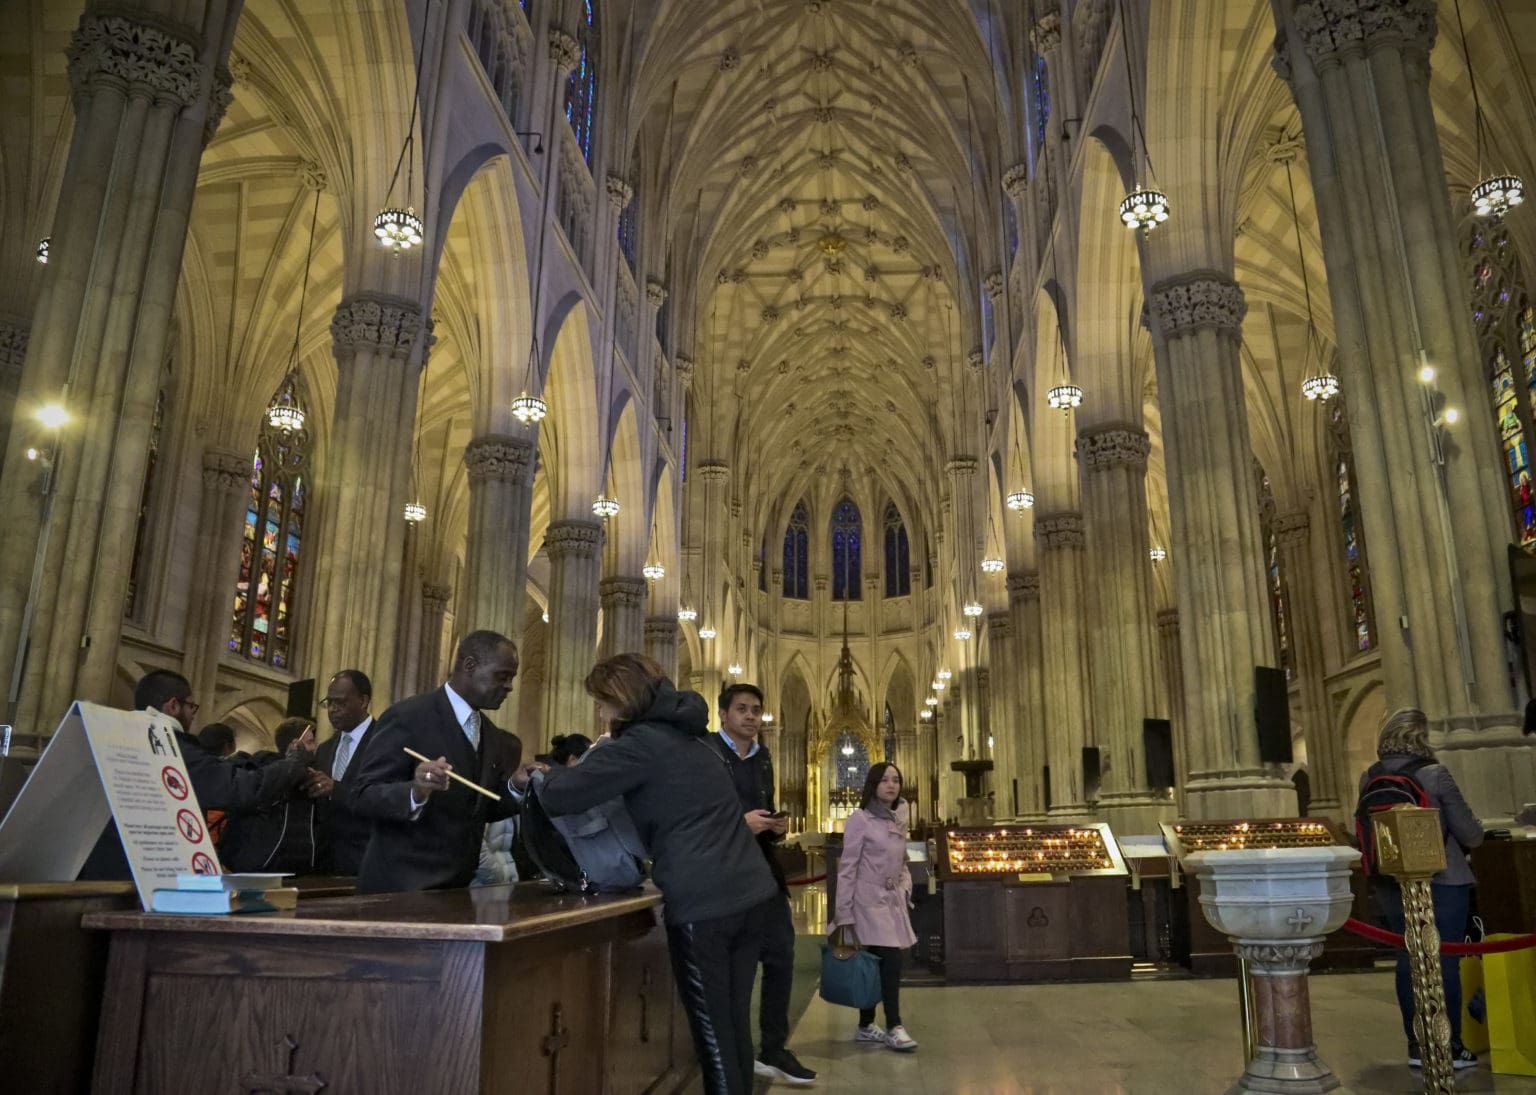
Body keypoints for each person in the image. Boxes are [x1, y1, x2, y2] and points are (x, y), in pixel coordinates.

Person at [539, 654, 779, 1095]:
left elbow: (562, 795)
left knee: (712, 1036)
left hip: (704, 904)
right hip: (751, 893)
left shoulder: (640, 744)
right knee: (732, 1026)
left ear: (622, 700)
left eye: (603, 702)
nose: (600, 713)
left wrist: (542, 775)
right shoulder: (691, 738)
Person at [79, 670, 314, 879]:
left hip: (97, 870)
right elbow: (243, 788)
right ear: (173, 705)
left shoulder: (113, 737)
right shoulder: (169, 746)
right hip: (146, 877)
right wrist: (294, 761)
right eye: (191, 706)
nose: (193, 714)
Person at [346, 630, 529, 893]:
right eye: (503, 676)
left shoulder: (490, 733)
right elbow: (362, 795)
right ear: (469, 666)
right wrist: (415, 791)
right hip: (400, 889)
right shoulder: (408, 716)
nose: (510, 686)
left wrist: (515, 786)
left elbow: (478, 807)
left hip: (457, 890)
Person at [1361, 708, 1484, 1070]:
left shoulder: (1369, 776)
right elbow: (1471, 834)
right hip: (1443, 879)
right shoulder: (1435, 774)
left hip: (1391, 879)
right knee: (1442, 956)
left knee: (1407, 957)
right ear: (1422, 737)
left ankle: (1417, 1046)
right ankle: (1450, 1047)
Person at [710, 683, 816, 1086]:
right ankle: (736, 1052)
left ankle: (773, 1047)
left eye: (756, 710)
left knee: (781, 956)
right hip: (723, 875)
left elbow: (759, 810)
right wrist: (743, 823)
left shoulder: (764, 757)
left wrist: (773, 826)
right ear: (723, 714)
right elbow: (697, 815)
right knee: (736, 972)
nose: (751, 716)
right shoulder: (706, 753)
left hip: (763, 872)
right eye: (742, 709)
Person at [833, 762, 918, 1053]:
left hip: (891, 902)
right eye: (884, 780)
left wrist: (904, 886)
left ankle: (866, 1025)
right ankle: (894, 1026)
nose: (891, 785)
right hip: (867, 902)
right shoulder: (861, 819)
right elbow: (847, 867)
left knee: (872, 963)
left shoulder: (899, 820)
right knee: (890, 962)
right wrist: (843, 913)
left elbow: (903, 860)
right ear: (873, 785)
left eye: (896, 780)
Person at [219, 718, 325, 873]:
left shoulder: (309, 776)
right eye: (309, 742)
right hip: (260, 865)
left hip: (294, 867)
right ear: (294, 745)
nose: (314, 748)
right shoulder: (268, 770)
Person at [310, 669, 378, 875]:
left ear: (363, 701)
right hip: (324, 865)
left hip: (366, 863)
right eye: (329, 703)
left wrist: (336, 790)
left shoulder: (384, 742)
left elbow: (385, 798)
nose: (332, 709)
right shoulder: (324, 749)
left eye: (340, 703)